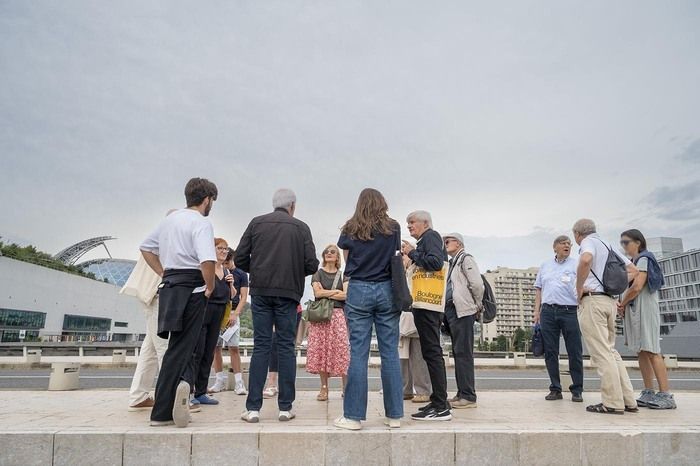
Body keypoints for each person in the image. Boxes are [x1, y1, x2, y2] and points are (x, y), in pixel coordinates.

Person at [139, 177, 218, 427]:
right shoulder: (201, 223)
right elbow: (207, 260)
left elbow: (145, 248)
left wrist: (163, 272)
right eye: (212, 201)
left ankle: (173, 396)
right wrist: (210, 286)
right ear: (206, 199)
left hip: (170, 285)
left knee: (176, 345)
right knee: (184, 348)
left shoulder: (169, 221)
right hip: (192, 286)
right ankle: (162, 411)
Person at [236, 188, 319, 423]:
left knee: (261, 346)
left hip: (261, 292)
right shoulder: (301, 227)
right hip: (288, 294)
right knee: (285, 347)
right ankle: (285, 407)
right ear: (292, 205)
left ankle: (253, 408)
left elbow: (241, 258)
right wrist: (292, 271)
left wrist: (261, 269)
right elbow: (312, 264)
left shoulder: (256, 223)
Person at [333, 188, 403, 431]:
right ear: (382, 202)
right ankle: (394, 416)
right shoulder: (393, 227)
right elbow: (395, 255)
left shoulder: (350, 227)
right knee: (390, 353)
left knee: (358, 353)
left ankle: (353, 417)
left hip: (359, 288)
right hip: (387, 289)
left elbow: (346, 260)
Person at [573, 218, 638, 415]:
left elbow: (585, 260)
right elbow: (633, 270)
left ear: (577, 234)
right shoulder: (608, 244)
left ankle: (612, 402)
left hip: (593, 301)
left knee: (601, 353)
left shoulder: (587, 242)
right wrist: (613, 285)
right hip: (610, 301)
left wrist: (579, 289)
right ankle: (628, 400)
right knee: (611, 352)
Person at [618, 229, 676, 409]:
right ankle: (649, 391)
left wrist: (622, 304)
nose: (624, 246)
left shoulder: (644, 259)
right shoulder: (634, 262)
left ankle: (666, 394)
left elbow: (637, 286)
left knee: (651, 349)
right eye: (622, 243)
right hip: (636, 309)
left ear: (638, 243)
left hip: (645, 309)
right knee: (641, 350)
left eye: (626, 242)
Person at [401, 211, 450, 421]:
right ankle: (437, 401)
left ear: (425, 223)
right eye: (408, 223)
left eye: (412, 222)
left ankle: (441, 406)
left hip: (429, 305)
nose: (409, 226)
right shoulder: (426, 240)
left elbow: (435, 262)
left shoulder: (431, 236)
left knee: (432, 352)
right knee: (429, 353)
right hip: (424, 304)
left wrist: (412, 253)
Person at [533, 235, 584, 402]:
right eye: (563, 243)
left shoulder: (576, 264)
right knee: (550, 352)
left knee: (574, 351)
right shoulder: (545, 265)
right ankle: (555, 388)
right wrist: (537, 311)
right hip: (548, 311)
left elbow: (582, 285)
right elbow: (539, 289)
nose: (567, 245)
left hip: (570, 311)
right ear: (554, 247)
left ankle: (577, 389)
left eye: (569, 243)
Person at [190, 238, 236, 405]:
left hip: (219, 313)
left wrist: (231, 285)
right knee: (197, 352)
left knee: (209, 352)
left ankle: (201, 392)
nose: (223, 252)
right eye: (220, 248)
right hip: (204, 311)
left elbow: (231, 296)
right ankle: (189, 391)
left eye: (226, 249)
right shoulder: (205, 268)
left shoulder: (226, 272)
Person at [123, 253, 168, 411]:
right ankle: (169, 398)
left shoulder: (168, 232)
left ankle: (138, 396)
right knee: (166, 347)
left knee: (151, 349)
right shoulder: (170, 234)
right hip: (158, 294)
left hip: (155, 293)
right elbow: (146, 247)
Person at [443, 232, 484, 409]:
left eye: (448, 241)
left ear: (458, 243)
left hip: (464, 311)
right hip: (453, 311)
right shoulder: (452, 262)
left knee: (464, 354)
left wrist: (476, 305)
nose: (445, 244)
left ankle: (468, 396)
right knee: (458, 352)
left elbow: (476, 284)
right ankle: (462, 393)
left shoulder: (466, 259)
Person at [307, 244, 350, 401]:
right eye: (327, 252)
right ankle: (324, 387)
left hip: (338, 315)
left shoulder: (343, 275)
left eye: (333, 252)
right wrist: (336, 293)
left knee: (341, 350)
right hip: (320, 316)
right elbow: (317, 292)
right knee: (321, 351)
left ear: (338, 257)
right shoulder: (317, 274)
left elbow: (346, 295)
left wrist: (326, 293)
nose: (329, 253)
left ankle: (346, 387)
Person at [209, 248, 249, 395]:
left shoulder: (241, 274)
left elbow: (243, 297)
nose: (224, 265)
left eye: (227, 262)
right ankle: (219, 380)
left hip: (232, 312)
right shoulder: (216, 270)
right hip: (217, 311)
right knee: (215, 348)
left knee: (234, 348)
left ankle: (239, 383)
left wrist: (235, 314)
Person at [399, 246, 432, 403]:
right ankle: (405, 390)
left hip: (417, 315)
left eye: (405, 256)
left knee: (419, 357)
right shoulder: (399, 274)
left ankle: (423, 391)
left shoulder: (419, 271)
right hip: (401, 318)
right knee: (402, 357)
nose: (403, 259)